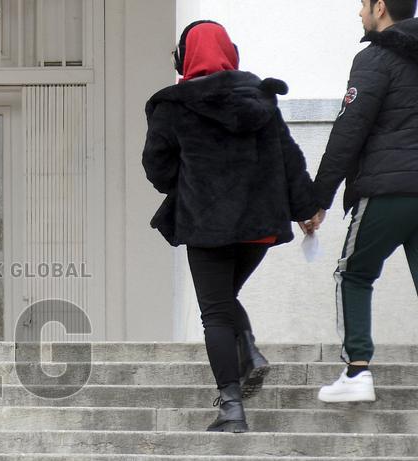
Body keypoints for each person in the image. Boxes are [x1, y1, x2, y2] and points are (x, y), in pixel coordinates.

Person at [143, 20, 321, 433]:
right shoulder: (261, 98)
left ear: (185, 57)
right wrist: (307, 208)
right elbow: (289, 158)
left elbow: (158, 169)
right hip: (258, 228)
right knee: (223, 301)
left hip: (207, 226)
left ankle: (231, 407)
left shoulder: (173, 106)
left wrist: (187, 182)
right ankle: (250, 354)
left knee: (216, 314)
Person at [312, 0, 418, 403]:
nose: (359, 14)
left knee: (354, 272)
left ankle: (357, 371)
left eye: (361, 4)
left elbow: (349, 129)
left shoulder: (375, 57)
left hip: (389, 188)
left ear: (379, 7)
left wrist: (317, 197)